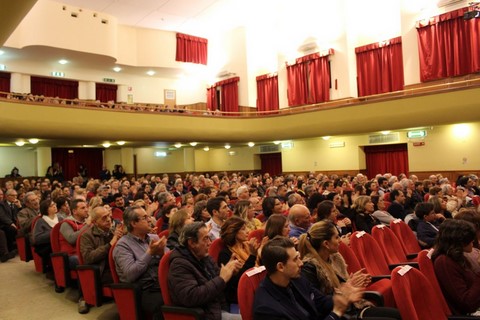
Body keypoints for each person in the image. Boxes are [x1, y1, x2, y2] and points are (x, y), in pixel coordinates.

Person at [298, 220, 401, 319]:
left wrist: (351, 284)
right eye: (337, 237)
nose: (340, 241)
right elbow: (319, 303)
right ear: (326, 244)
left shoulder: (334, 258)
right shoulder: (309, 267)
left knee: (396, 314)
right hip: (338, 314)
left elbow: (342, 287)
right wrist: (347, 288)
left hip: (350, 308)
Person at [253, 236, 363, 320]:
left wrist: (344, 297)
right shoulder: (267, 309)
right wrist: (336, 312)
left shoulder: (297, 279)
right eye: (295, 259)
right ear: (280, 267)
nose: (301, 263)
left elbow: (321, 302)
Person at [168, 221, 243, 320]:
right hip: (206, 314)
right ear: (192, 243)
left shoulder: (203, 256)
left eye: (209, 238)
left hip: (218, 307)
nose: (210, 243)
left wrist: (230, 272)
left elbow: (218, 279)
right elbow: (191, 297)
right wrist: (222, 278)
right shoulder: (179, 265)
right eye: (205, 239)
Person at [113, 205, 166, 320]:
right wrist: (149, 253)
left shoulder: (154, 237)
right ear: (133, 223)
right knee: (164, 303)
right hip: (144, 289)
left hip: (162, 281)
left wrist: (163, 254)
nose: (150, 219)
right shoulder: (123, 245)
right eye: (145, 217)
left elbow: (169, 262)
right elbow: (130, 274)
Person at [432, 219, 480, 315]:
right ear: (459, 242)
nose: (472, 242)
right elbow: (467, 303)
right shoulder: (444, 262)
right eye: (470, 240)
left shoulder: (457, 257)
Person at [218, 216, 259, 304]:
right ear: (234, 232)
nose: (248, 231)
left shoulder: (247, 246)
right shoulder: (225, 254)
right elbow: (238, 281)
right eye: (243, 229)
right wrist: (252, 256)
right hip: (238, 297)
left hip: (254, 288)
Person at [79, 206, 123, 284]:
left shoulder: (113, 231)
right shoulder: (87, 236)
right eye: (104, 218)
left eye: (109, 216)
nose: (109, 219)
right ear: (95, 222)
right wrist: (110, 245)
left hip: (119, 265)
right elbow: (88, 258)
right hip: (103, 270)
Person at [32, 199, 62, 273]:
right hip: (45, 245)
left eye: (55, 204)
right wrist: (53, 233)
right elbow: (37, 238)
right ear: (46, 209)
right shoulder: (41, 221)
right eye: (52, 206)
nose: (55, 206)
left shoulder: (60, 218)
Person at [0, 189, 21, 254]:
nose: (15, 197)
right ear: (7, 196)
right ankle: (11, 249)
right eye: (13, 195)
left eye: (16, 195)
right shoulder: (2, 204)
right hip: (4, 224)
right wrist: (11, 223)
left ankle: (18, 248)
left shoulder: (16, 204)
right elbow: (2, 216)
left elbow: (21, 214)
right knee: (11, 229)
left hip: (15, 223)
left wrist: (19, 207)